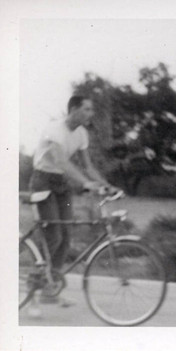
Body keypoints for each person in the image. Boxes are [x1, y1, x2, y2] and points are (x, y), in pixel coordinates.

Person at [28, 95, 119, 309]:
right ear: (74, 110)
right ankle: (32, 293)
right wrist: (86, 184)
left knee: (67, 235)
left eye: (91, 110)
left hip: (62, 185)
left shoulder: (81, 134)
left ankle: (51, 291)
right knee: (53, 237)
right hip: (43, 183)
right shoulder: (55, 129)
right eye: (87, 109)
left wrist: (107, 185)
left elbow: (87, 166)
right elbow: (60, 161)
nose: (91, 113)